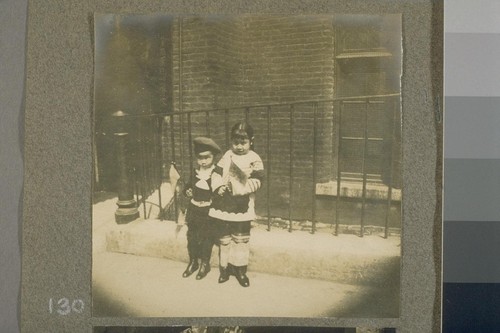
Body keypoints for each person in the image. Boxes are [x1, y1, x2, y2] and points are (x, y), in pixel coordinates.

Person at [209, 121, 264, 287]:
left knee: (241, 238)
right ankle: (225, 268)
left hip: (242, 202)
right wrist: (218, 186)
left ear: (251, 141)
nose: (239, 146)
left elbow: (258, 180)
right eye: (236, 143)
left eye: (243, 142)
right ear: (231, 141)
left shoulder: (254, 158)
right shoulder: (227, 155)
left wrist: (240, 188)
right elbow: (216, 173)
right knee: (224, 237)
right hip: (224, 203)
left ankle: (240, 269)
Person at [182, 137, 221, 280]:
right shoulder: (195, 172)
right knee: (191, 236)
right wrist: (187, 191)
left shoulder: (216, 173)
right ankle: (193, 262)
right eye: (200, 158)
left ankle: (205, 263)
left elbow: (219, 192)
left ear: (213, 157)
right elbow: (188, 186)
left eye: (207, 157)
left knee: (206, 237)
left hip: (207, 211)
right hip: (194, 210)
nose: (203, 161)